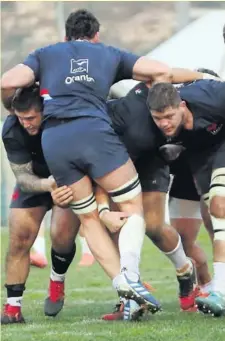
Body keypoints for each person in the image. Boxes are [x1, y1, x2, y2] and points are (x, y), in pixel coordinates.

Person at [1, 9, 208, 316]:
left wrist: (11, 105)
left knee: (89, 221)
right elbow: (160, 70)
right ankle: (131, 278)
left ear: (64, 38)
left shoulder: (45, 54)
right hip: (95, 134)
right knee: (132, 209)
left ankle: (121, 282)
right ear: (97, 37)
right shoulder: (108, 54)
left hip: (56, 140)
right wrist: (194, 76)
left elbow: (7, 82)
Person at [1, 86, 79, 324]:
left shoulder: (63, 121)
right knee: (19, 239)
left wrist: (62, 184)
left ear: (44, 111)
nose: (26, 124)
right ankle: (12, 309)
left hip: (68, 178)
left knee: (61, 237)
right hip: (37, 181)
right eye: (21, 118)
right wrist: (46, 184)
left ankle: (57, 279)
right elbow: (22, 177)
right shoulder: (12, 129)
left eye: (31, 118)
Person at [147, 79, 225, 317]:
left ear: (182, 105)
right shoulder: (146, 126)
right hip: (197, 162)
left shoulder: (212, 96)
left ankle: (220, 292)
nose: (164, 123)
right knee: (205, 228)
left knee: (219, 206)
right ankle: (209, 288)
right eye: (158, 118)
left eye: (169, 116)